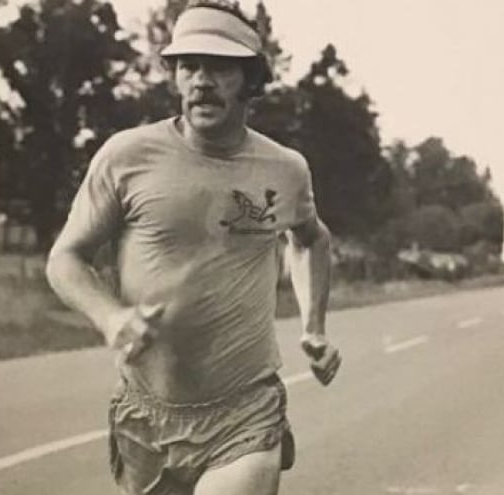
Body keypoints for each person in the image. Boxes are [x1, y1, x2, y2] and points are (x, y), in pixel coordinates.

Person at [45, 1, 341, 493]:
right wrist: (110, 316)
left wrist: (314, 327)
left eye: (219, 67)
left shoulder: (285, 169)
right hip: (146, 412)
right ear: (176, 77)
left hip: (246, 408)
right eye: (188, 65)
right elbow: (65, 259)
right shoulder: (127, 155)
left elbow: (310, 239)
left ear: (250, 80)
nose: (201, 80)